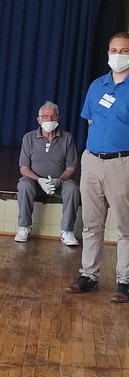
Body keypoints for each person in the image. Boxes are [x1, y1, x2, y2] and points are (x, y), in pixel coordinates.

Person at [65, 31, 129, 303]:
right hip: (92, 160)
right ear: (108, 53)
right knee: (91, 223)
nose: (118, 55)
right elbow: (90, 120)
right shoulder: (97, 86)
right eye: (114, 50)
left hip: (122, 163)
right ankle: (89, 276)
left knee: (125, 226)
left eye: (125, 51)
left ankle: (125, 281)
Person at [14, 101, 80, 245]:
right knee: (24, 184)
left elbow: (71, 167)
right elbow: (23, 168)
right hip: (36, 184)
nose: (49, 120)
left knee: (72, 188)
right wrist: (39, 180)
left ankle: (67, 231)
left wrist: (59, 180)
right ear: (39, 120)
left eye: (53, 116)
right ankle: (24, 227)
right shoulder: (29, 138)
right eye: (45, 116)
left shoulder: (67, 138)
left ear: (58, 118)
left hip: (60, 184)